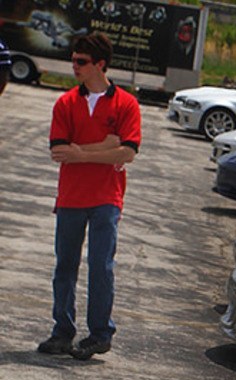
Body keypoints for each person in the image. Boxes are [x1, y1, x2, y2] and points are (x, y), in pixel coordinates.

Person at [38, 32, 141, 360]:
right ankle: (62, 332)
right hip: (70, 197)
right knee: (65, 267)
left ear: (101, 64)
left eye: (81, 62)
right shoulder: (65, 102)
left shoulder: (126, 103)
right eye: (73, 60)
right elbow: (58, 151)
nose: (75, 66)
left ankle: (100, 334)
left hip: (106, 199)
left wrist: (82, 153)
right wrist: (105, 148)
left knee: (101, 267)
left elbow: (127, 153)